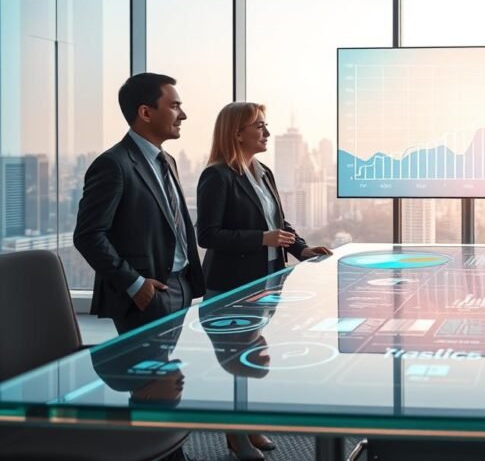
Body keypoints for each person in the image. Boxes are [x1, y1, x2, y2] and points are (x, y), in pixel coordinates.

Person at [197, 102, 331, 460]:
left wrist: (301, 249)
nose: (266, 133)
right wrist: (261, 239)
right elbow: (207, 234)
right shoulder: (217, 175)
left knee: (250, 360)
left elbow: (280, 224)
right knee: (235, 363)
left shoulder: (264, 172)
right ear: (236, 133)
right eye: (259, 126)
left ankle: (248, 427)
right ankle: (236, 437)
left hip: (267, 283)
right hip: (230, 287)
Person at [74, 73, 206, 336]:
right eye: (174, 106)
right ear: (146, 113)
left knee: (173, 374)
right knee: (150, 376)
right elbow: (88, 235)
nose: (183, 115)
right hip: (147, 296)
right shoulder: (113, 164)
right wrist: (135, 284)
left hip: (181, 287)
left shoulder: (168, 160)